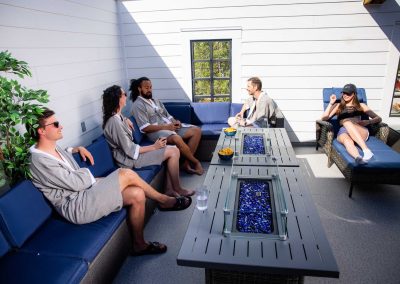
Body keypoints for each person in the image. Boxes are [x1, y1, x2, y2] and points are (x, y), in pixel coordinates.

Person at [28, 108, 192, 256]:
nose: (61, 126)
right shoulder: (38, 160)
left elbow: (65, 162)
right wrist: (90, 176)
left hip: (85, 192)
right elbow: (74, 183)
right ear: (41, 131)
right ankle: (164, 200)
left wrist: (76, 149)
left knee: (137, 194)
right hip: (75, 205)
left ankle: (139, 244)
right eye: (56, 124)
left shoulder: (53, 148)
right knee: (125, 174)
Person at [102, 85, 194, 197]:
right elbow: (130, 150)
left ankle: (170, 189)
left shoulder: (117, 117)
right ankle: (177, 189)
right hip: (129, 160)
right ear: (117, 99)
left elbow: (119, 122)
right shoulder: (114, 122)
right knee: (173, 151)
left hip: (133, 155)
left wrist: (125, 119)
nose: (126, 96)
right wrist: (154, 147)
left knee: (173, 150)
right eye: (124, 94)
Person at [130, 77, 204, 175]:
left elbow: (168, 115)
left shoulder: (156, 101)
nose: (149, 90)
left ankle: (186, 164)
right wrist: (167, 127)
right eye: (146, 87)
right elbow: (145, 128)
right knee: (176, 139)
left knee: (197, 130)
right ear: (139, 89)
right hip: (155, 132)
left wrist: (175, 121)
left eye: (151, 87)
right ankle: (196, 162)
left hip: (169, 128)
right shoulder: (138, 105)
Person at [321, 83, 382, 164]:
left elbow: (378, 118)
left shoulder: (361, 105)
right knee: (347, 141)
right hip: (343, 131)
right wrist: (331, 103)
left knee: (346, 122)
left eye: (348, 93)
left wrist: (368, 121)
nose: (345, 95)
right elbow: (324, 118)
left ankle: (366, 151)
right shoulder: (338, 106)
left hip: (359, 131)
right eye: (344, 93)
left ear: (354, 94)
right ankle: (358, 158)